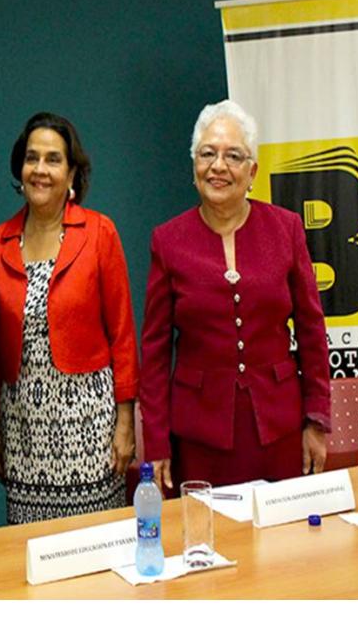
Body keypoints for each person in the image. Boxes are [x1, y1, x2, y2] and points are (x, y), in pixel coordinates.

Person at [139, 100, 331, 490]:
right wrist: (157, 441)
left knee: (284, 528)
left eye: (233, 156)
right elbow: (155, 350)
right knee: (208, 528)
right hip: (199, 434)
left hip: (279, 427)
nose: (218, 166)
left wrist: (316, 420)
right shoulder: (168, 240)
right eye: (207, 154)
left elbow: (312, 330)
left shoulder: (286, 229)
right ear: (194, 166)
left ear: (252, 171)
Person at [0, 112, 139, 524]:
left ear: (71, 173)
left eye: (53, 159)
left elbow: (122, 333)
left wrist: (125, 422)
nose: (40, 169)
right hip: (24, 433)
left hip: (90, 431)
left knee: (97, 545)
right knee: (31, 548)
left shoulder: (100, 233)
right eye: (32, 158)